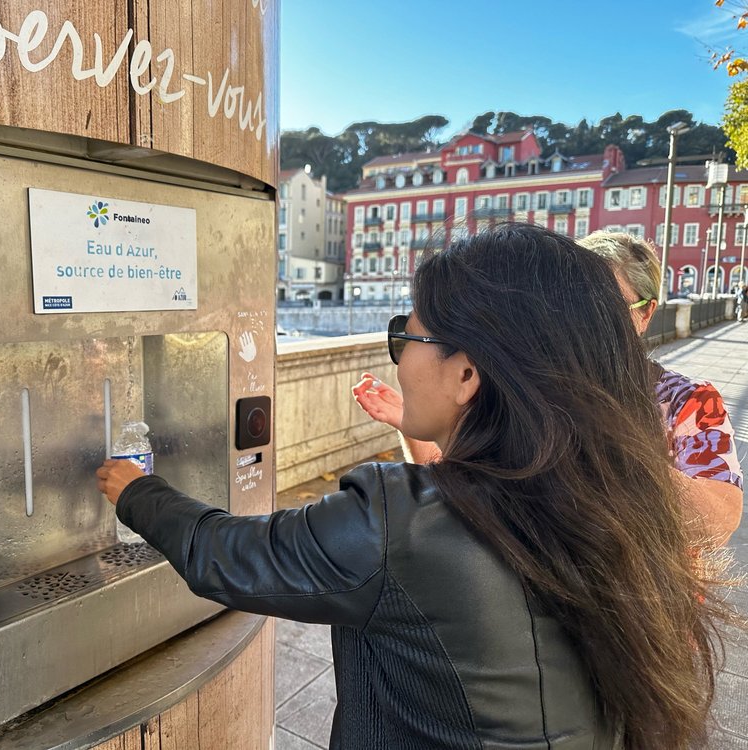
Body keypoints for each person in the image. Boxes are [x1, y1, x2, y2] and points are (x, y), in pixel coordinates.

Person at [98, 224, 736, 749]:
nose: (398, 356)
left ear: (467, 373)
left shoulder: (400, 521)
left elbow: (225, 556)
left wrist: (133, 487)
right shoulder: (609, 496)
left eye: (409, 332)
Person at [355, 230, 743, 547]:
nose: (579, 323)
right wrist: (417, 421)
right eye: (567, 305)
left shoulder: (688, 401)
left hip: (639, 621)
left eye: (604, 308)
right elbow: (455, 491)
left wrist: (593, 440)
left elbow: (718, 522)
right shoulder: (515, 380)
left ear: (645, 313)